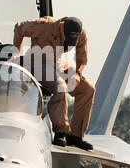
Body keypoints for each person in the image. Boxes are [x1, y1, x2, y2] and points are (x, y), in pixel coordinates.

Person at [12, 15, 96, 150]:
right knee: (61, 86)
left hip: (58, 63)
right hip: (37, 62)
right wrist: (15, 54)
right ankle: (61, 132)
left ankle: (75, 136)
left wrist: (76, 74)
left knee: (88, 89)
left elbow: (81, 59)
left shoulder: (81, 33)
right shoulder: (43, 26)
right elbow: (18, 28)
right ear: (62, 27)